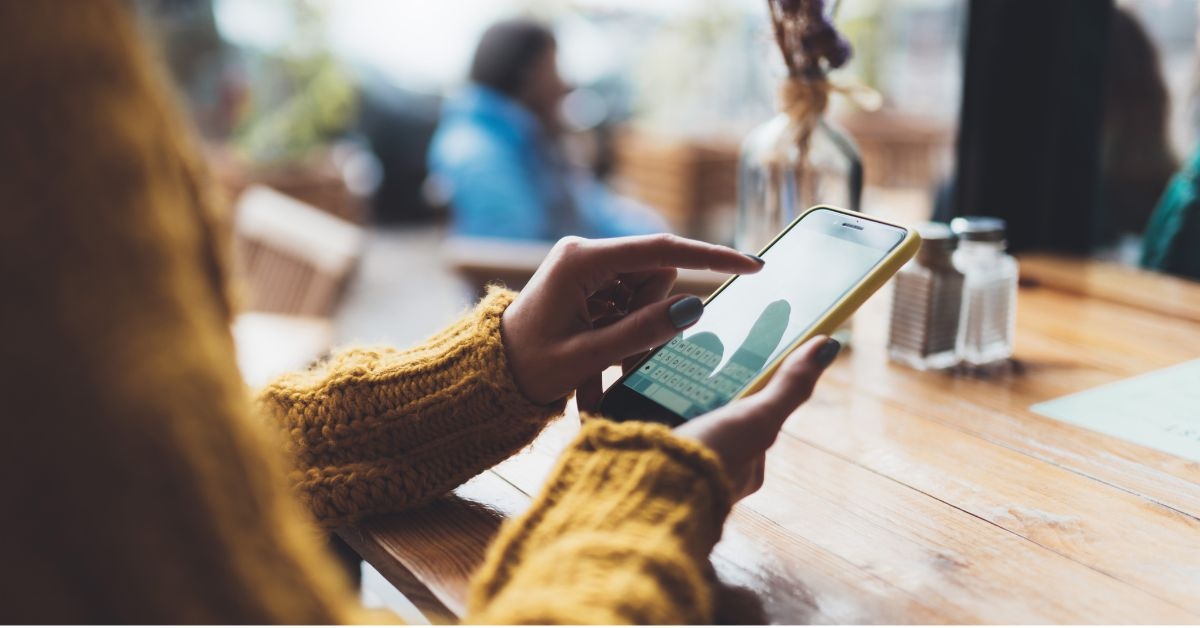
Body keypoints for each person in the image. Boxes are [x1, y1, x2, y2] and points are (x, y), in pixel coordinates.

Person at [0, 3, 840, 623]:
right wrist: (635, 499)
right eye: (555, 65)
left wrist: (492, 370)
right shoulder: (41, 65)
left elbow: (163, 481)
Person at [427, 18, 668, 241]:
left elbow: (586, 209)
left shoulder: (525, 134)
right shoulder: (479, 154)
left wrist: (648, 231)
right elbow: (507, 256)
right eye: (553, 67)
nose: (564, 84)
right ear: (526, 75)